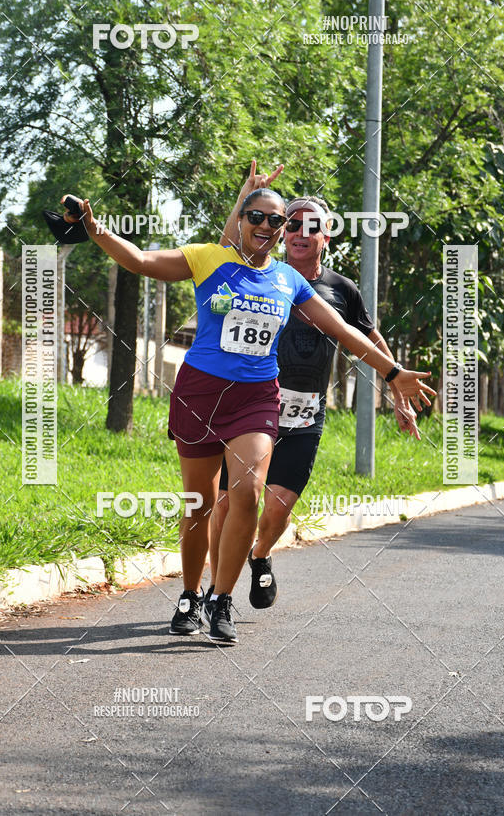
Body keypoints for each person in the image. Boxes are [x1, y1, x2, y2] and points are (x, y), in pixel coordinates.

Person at [62, 188, 435, 643]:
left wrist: (393, 373)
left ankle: (222, 599)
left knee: (247, 495)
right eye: (255, 215)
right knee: (199, 503)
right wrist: (93, 229)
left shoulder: (287, 281)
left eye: (275, 220)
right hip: (200, 395)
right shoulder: (208, 259)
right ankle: (189, 595)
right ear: (240, 219)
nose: (266, 225)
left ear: (280, 232)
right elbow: (140, 260)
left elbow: (344, 331)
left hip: (256, 398)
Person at [208, 162, 421, 612]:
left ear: (327, 236)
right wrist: (247, 191)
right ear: (282, 233)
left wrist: (395, 386)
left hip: (305, 412)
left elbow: (365, 338)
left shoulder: (341, 289)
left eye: (313, 227)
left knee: (278, 508)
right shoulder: (259, 273)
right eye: (293, 225)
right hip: (249, 406)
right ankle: (215, 590)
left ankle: (260, 553)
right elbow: (225, 247)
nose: (300, 233)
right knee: (229, 503)